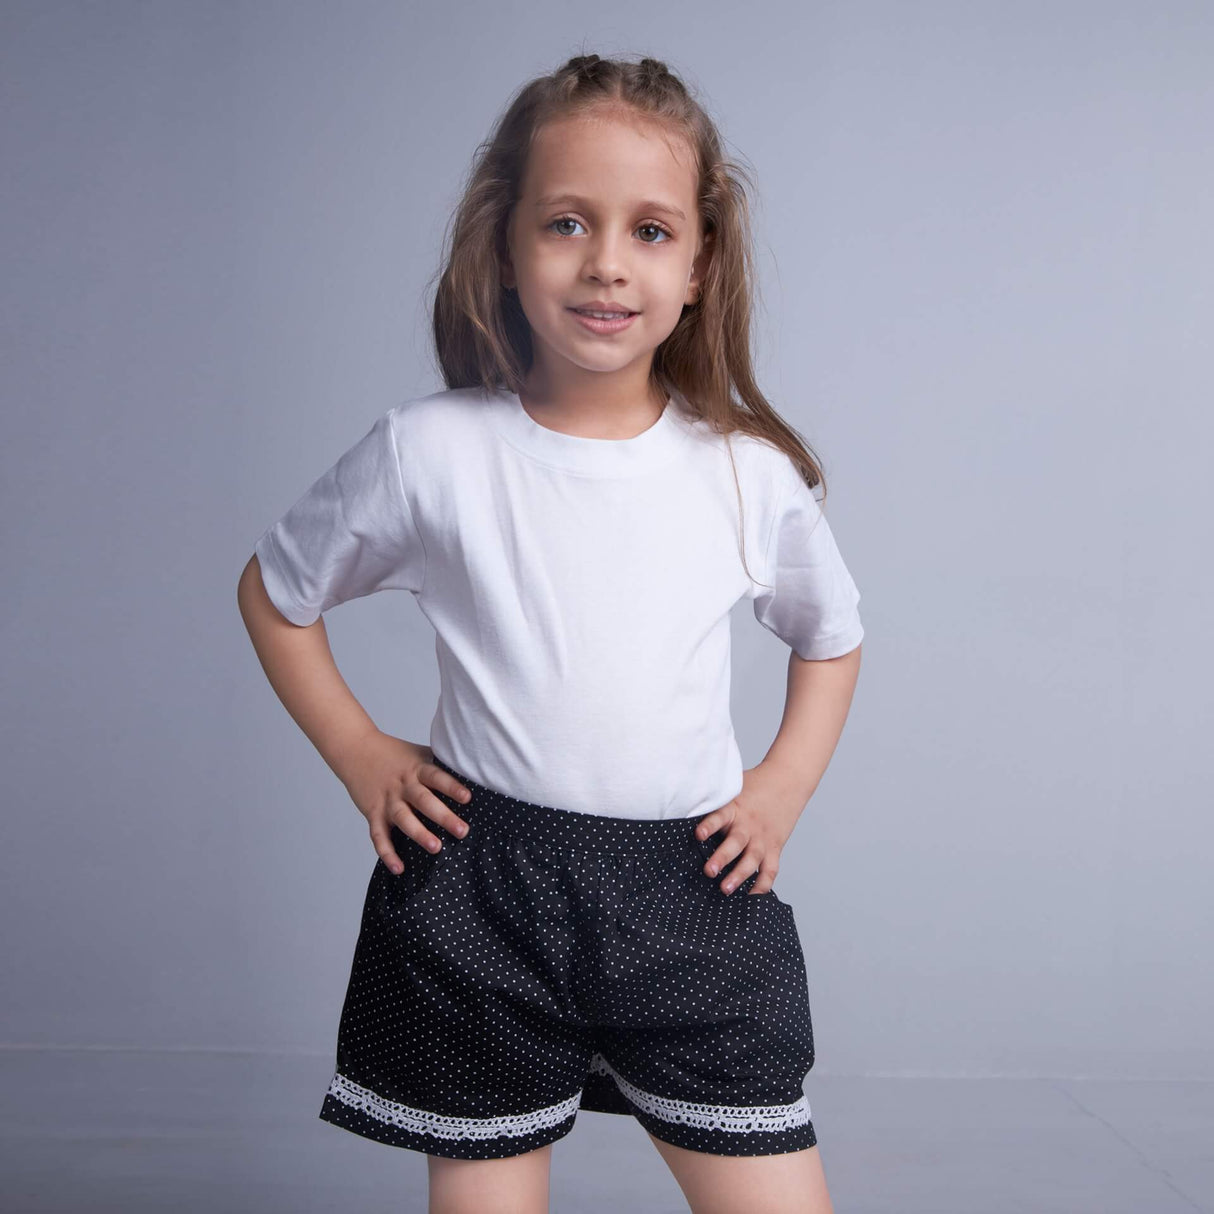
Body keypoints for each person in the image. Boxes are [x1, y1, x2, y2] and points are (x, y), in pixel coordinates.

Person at [238, 51, 863, 1214]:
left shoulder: (744, 475)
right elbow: (277, 593)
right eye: (566, 222)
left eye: (650, 231)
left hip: (690, 889)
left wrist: (779, 785)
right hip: (482, 881)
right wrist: (360, 753)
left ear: (698, 265)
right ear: (507, 243)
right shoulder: (430, 451)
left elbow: (829, 637)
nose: (606, 263)